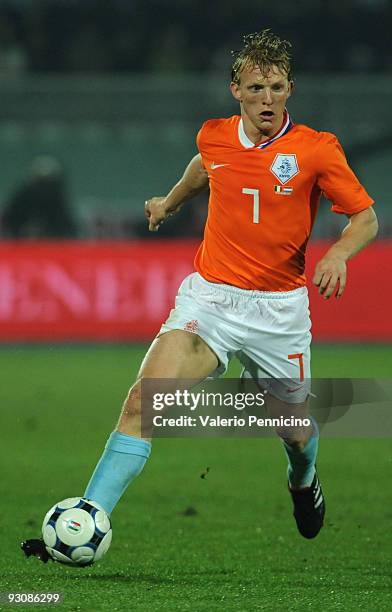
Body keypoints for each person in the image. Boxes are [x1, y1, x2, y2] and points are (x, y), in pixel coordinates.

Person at [23, 29, 378, 561]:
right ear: (235, 88)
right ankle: (87, 516)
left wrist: (336, 255)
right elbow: (204, 169)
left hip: (279, 312)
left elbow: (365, 217)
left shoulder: (315, 148)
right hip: (210, 300)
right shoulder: (214, 136)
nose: (267, 99)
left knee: (297, 435)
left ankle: (303, 482)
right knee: (145, 401)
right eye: (256, 88)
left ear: (290, 90)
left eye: (278, 88)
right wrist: (168, 202)